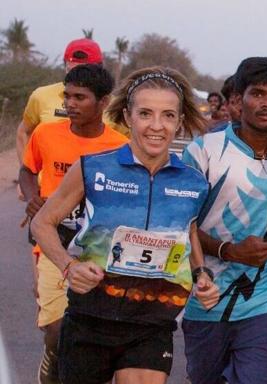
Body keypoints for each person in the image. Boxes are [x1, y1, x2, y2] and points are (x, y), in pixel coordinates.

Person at [30, 66, 219, 384]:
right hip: (90, 317)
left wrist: (201, 275)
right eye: (145, 113)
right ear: (128, 117)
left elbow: (186, 231)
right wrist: (68, 266)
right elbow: (42, 223)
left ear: (180, 121)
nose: (156, 126)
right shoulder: (93, 168)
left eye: (168, 116)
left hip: (152, 321)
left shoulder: (194, 181)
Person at [182, 57, 267, 384]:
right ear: (238, 100)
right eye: (259, 94)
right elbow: (185, 224)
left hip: (266, 296)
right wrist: (230, 251)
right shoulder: (202, 151)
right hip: (207, 293)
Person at [19, 64, 129, 384]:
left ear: (103, 101)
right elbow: (27, 170)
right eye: (68, 96)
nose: (70, 103)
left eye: (80, 97)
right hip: (53, 241)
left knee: (92, 332)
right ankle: (52, 357)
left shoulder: (119, 147)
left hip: (97, 248)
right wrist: (32, 198)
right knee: (56, 331)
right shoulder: (46, 133)